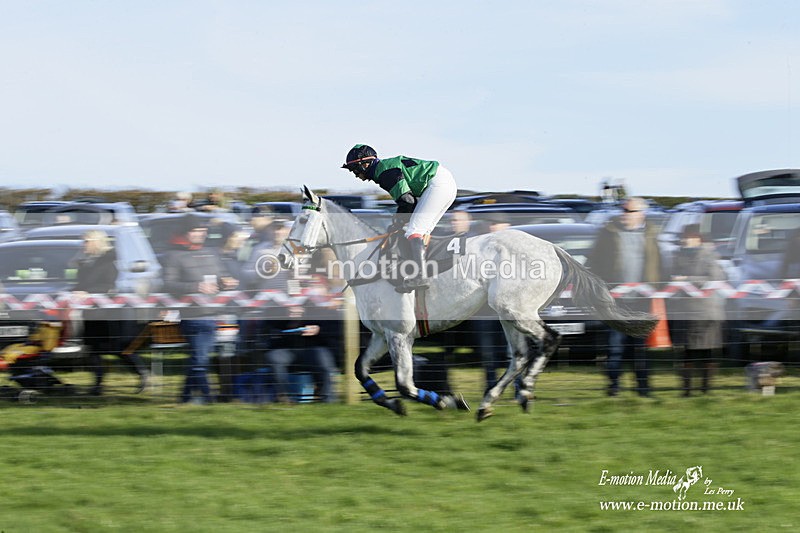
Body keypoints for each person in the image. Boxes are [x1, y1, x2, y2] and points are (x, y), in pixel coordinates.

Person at [341, 144, 457, 292]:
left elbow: (407, 201)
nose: (356, 175)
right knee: (421, 231)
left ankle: (419, 277)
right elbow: (409, 202)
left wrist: (398, 221)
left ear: (365, 164)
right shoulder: (383, 169)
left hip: (438, 184)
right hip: (443, 183)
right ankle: (423, 270)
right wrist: (399, 220)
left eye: (355, 169)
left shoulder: (385, 173)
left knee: (413, 231)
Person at [587, 196, 663, 397]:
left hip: (641, 300)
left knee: (639, 346)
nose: (625, 215)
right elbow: (594, 262)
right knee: (615, 345)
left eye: (629, 211)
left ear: (641, 214)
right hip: (616, 300)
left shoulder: (651, 234)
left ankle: (643, 389)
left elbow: (659, 263)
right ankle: (614, 387)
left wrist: (658, 286)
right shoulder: (608, 233)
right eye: (623, 210)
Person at [162, 213, 239, 404]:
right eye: (195, 231)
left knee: (199, 358)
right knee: (200, 358)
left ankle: (186, 398)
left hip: (214, 314)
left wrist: (226, 281)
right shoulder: (173, 255)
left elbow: (221, 274)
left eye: (203, 231)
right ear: (185, 232)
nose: (200, 234)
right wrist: (196, 287)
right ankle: (207, 398)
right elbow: (169, 284)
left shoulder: (211, 252)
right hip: (193, 315)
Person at [73, 229, 149, 396]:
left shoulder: (110, 261)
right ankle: (98, 384)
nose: (83, 245)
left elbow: (108, 285)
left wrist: (88, 293)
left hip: (109, 313)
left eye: (86, 241)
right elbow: (80, 284)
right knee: (92, 349)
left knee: (119, 348)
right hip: (90, 313)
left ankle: (142, 374)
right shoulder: (85, 263)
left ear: (96, 242)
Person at [669, 224, 725, 396]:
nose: (685, 240)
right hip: (685, 311)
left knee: (707, 351)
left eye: (689, 237)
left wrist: (688, 279)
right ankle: (686, 390)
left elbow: (717, 278)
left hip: (707, 311)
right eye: (684, 237)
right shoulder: (677, 255)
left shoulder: (710, 255)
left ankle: (706, 390)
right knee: (687, 352)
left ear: (698, 239)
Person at [264, 303, 340, 403]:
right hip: (287, 348)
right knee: (275, 358)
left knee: (323, 359)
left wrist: (318, 330)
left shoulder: (321, 309)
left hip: (314, 347)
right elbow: (271, 330)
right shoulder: (277, 310)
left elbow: (335, 328)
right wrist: (290, 323)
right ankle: (284, 397)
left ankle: (328, 399)